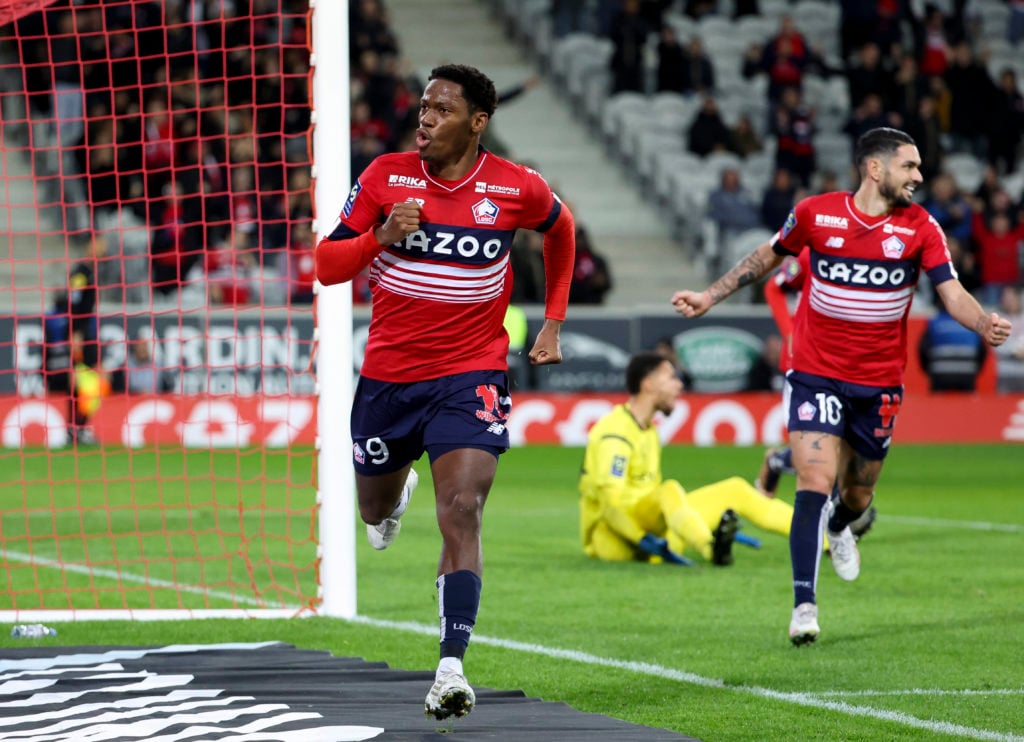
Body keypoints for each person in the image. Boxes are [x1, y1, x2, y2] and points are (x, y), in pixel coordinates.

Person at [671, 127, 1013, 646]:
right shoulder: (815, 214)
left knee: (858, 491)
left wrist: (983, 322)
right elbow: (766, 256)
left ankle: (840, 526)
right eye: (910, 166)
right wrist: (709, 296)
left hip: (877, 384)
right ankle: (804, 605)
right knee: (814, 478)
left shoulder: (921, 227)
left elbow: (951, 292)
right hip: (814, 371)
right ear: (875, 169)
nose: (919, 177)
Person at [314, 64, 575, 720]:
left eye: (441, 110)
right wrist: (381, 236)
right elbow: (325, 266)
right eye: (423, 107)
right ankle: (393, 492)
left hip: (470, 374)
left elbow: (561, 230)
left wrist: (554, 319)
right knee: (373, 515)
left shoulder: (516, 186)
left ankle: (451, 667)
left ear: (477, 122)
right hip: (389, 380)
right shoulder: (385, 177)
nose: (425, 119)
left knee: (462, 507)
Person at [580, 352, 800, 567]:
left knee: (736, 490)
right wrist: (640, 538)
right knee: (669, 490)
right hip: (616, 540)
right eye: (671, 377)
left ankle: (825, 540)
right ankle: (709, 547)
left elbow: (656, 504)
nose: (679, 385)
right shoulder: (616, 433)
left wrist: (695, 523)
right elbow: (610, 506)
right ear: (648, 384)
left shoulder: (649, 431)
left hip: (653, 532)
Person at [918, 306, 987, 392]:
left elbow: (923, 349)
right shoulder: (972, 323)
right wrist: (975, 370)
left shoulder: (934, 322)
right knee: (968, 404)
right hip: (967, 374)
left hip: (939, 374)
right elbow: (982, 350)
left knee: (937, 405)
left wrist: (929, 371)